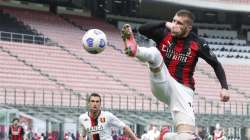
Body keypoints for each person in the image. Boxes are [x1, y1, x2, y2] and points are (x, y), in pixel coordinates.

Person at [121, 9, 230, 140]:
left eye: (179, 23)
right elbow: (143, 29)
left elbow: (216, 64)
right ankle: (135, 50)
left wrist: (224, 88)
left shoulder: (198, 43)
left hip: (183, 90)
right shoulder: (164, 33)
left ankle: (164, 136)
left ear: (188, 27)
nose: (174, 25)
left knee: (186, 137)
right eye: (173, 21)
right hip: (163, 80)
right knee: (155, 54)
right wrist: (164, 23)